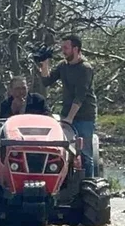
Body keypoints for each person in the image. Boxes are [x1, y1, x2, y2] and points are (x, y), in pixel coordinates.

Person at [38, 34, 98, 177]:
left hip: (84, 116)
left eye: (66, 48)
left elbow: (80, 96)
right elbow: (47, 81)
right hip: (67, 114)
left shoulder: (85, 68)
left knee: (85, 154)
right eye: (62, 47)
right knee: (64, 151)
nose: (63, 51)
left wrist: (70, 118)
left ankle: (89, 183)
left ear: (75, 49)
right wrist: (44, 62)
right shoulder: (63, 66)